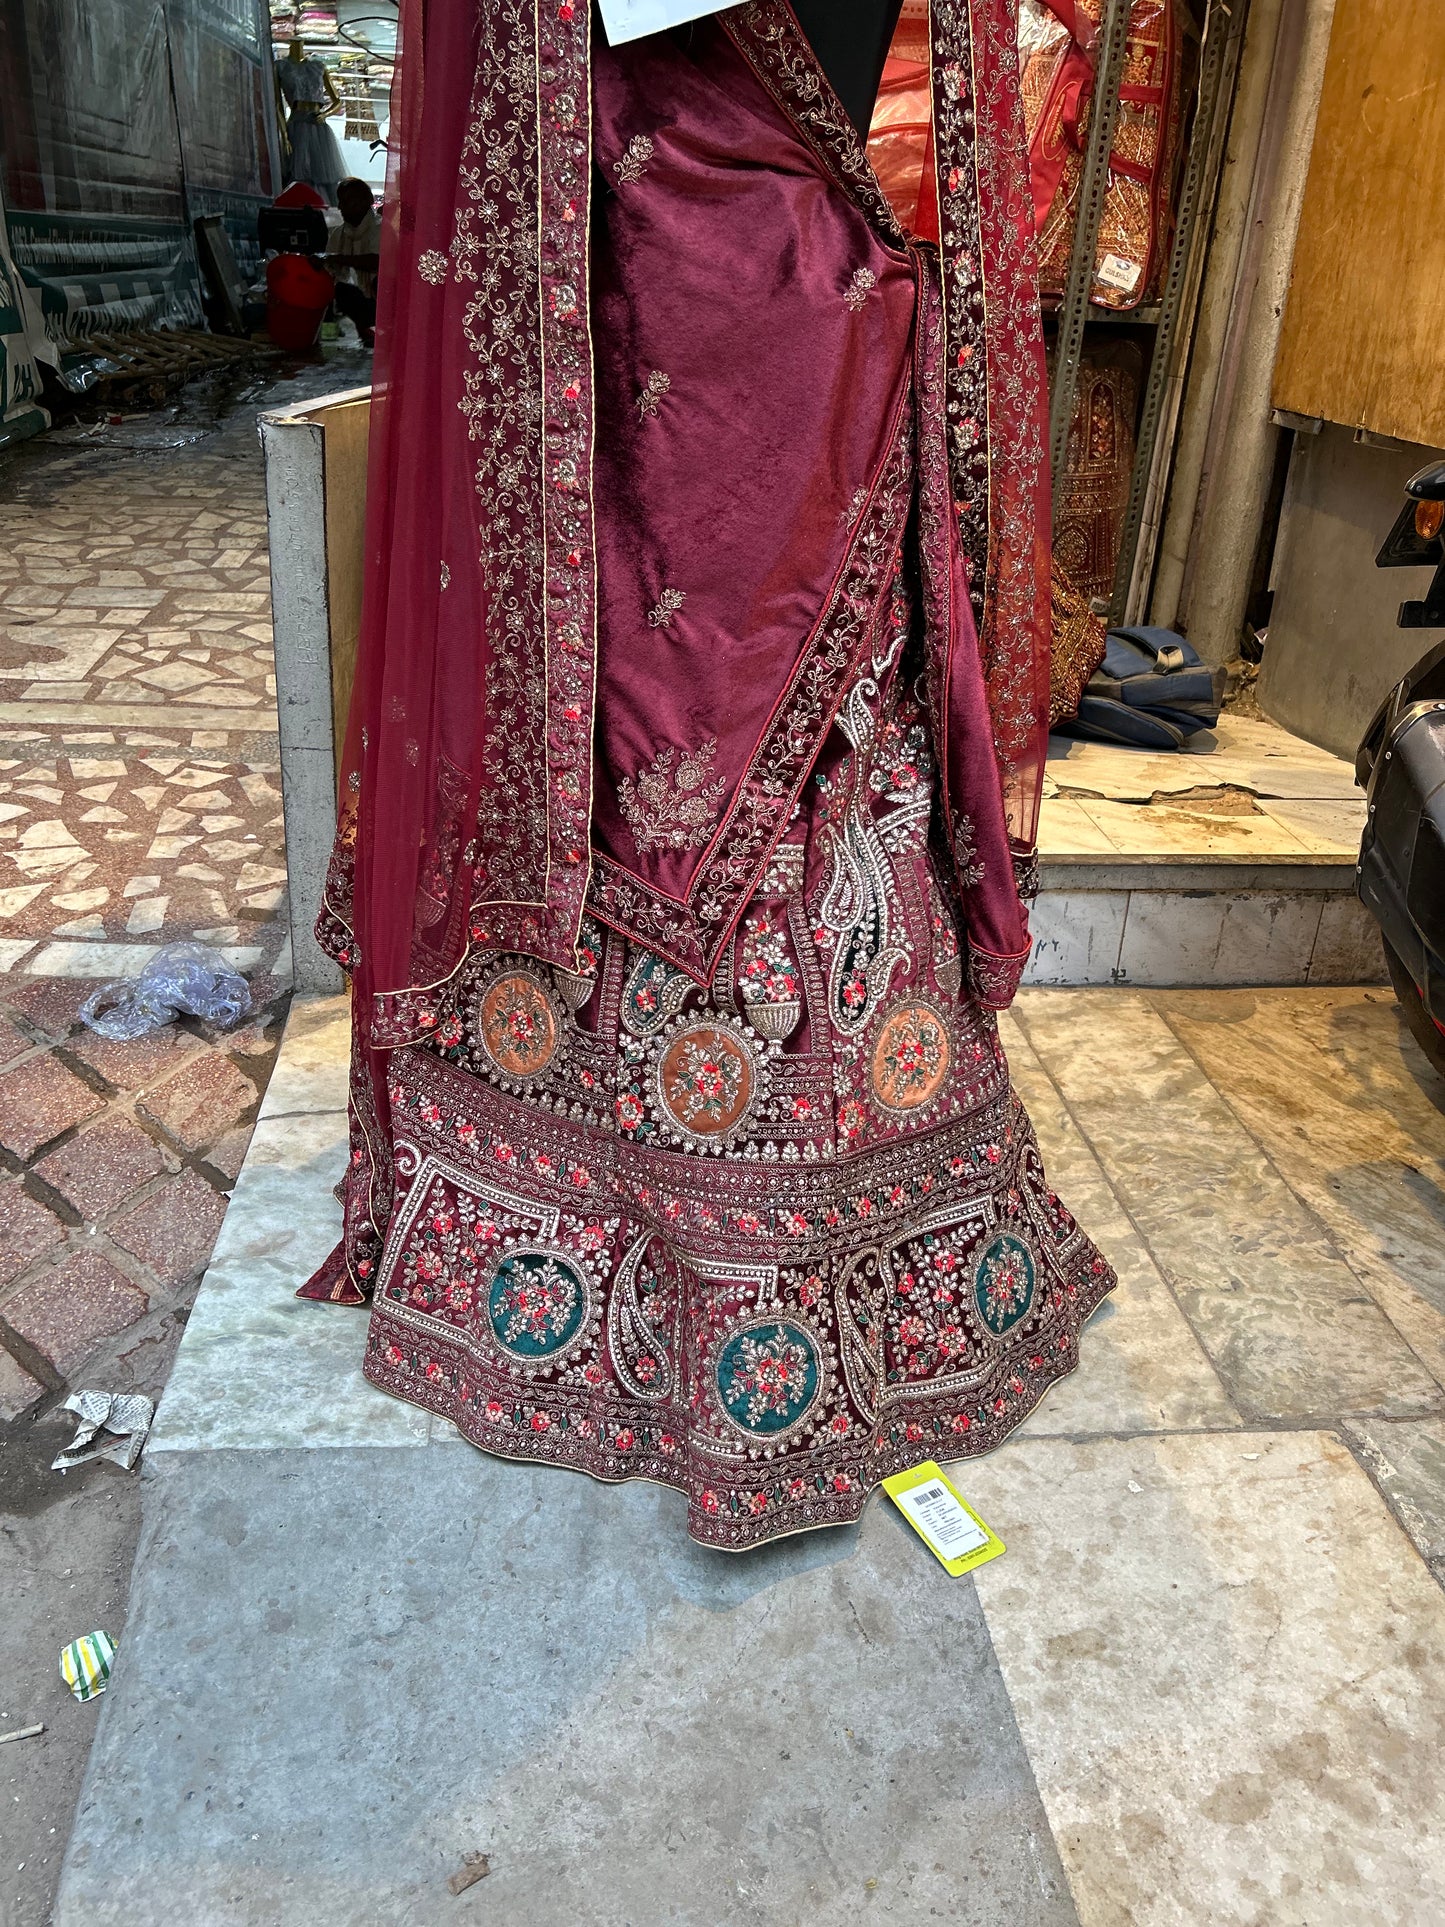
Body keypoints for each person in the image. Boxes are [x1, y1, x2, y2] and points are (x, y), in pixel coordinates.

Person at [299, 0, 1117, 1552]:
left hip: (816, 346)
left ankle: (818, 1245)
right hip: (633, 319)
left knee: (819, 788)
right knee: (617, 723)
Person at [276, 37, 345, 205]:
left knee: (324, 175)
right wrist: (284, 135)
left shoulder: (318, 67)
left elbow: (338, 101)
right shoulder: (280, 66)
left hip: (318, 124)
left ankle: (327, 213)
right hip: (297, 124)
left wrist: (325, 114)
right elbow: (276, 103)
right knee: (300, 174)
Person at [325, 178, 381, 348]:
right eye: (340, 201)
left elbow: (377, 261)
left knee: (380, 283)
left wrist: (338, 258)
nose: (341, 207)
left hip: (383, 300)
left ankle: (385, 331)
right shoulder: (337, 235)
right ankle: (363, 329)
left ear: (366, 201)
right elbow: (330, 271)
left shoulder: (382, 228)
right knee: (336, 288)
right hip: (360, 299)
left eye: (347, 201)